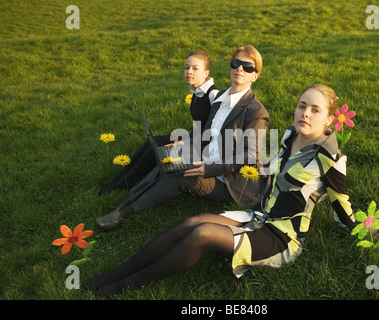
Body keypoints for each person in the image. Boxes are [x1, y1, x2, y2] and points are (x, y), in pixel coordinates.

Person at [85, 84, 358, 298]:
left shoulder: (331, 159)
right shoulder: (290, 136)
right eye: (302, 106)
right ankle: (117, 273)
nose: (305, 114)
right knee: (191, 222)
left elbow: (341, 204)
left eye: (315, 110)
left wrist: (360, 229)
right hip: (258, 216)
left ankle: (132, 283)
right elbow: (269, 175)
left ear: (330, 119)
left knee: (202, 234)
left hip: (282, 237)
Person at [94, 45, 270, 230]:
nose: (240, 69)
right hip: (206, 158)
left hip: (229, 182)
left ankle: (123, 213)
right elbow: (207, 134)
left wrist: (208, 169)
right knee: (169, 156)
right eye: (236, 63)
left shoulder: (256, 113)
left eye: (248, 66)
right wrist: (187, 142)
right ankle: (128, 199)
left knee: (179, 176)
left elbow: (248, 156)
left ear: (255, 76)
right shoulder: (220, 99)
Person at [98, 51, 219, 195]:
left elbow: (214, 133)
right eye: (187, 68)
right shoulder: (196, 91)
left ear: (206, 73)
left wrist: (184, 143)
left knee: (155, 150)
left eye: (195, 68)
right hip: (194, 137)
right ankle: (118, 179)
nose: (189, 72)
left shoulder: (214, 95)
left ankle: (122, 185)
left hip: (204, 146)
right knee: (153, 142)